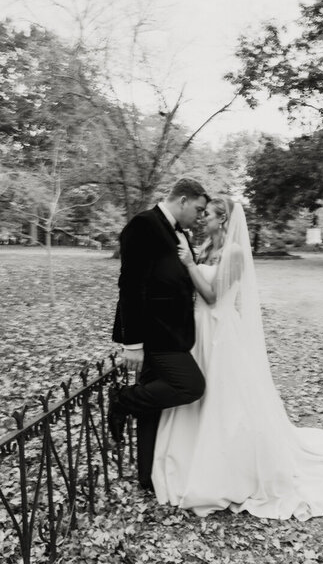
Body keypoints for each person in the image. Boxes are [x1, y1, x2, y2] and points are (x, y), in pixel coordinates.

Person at [151, 197, 323, 520]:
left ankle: (226, 464)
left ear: (223, 219)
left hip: (219, 331)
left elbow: (213, 296)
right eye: (202, 214)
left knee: (223, 397)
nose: (203, 218)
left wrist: (190, 265)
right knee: (196, 391)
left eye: (209, 215)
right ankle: (189, 455)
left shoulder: (233, 253)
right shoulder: (205, 247)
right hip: (198, 329)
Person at [109, 178, 208, 490]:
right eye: (198, 209)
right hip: (155, 334)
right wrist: (132, 342)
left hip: (175, 333)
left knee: (151, 406)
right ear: (183, 200)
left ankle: (148, 476)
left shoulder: (179, 233)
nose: (200, 216)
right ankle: (122, 400)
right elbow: (130, 285)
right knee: (191, 386)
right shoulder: (143, 225)